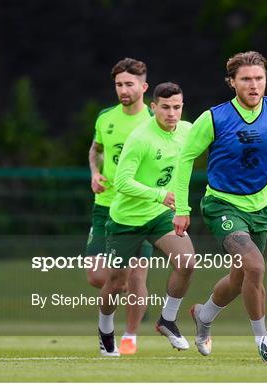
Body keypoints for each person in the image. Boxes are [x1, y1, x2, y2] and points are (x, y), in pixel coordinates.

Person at [172, 51, 267, 356]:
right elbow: (185, 158)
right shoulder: (214, 117)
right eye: (246, 79)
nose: (254, 85)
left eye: (259, 78)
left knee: (241, 278)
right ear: (232, 83)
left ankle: (204, 315)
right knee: (255, 266)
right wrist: (182, 209)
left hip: (262, 208)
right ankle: (263, 342)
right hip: (222, 204)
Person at [97, 82, 195, 356]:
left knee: (187, 262)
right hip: (126, 219)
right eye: (165, 107)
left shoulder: (188, 131)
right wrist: (159, 194)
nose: (171, 113)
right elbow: (122, 181)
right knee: (117, 282)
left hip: (160, 217)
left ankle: (168, 320)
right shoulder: (141, 138)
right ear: (154, 108)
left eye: (176, 107)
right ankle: (105, 330)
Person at [86, 57, 153, 355]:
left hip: (141, 211)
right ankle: (117, 304)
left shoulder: (154, 120)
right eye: (119, 85)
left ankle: (129, 338)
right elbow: (96, 150)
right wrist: (95, 173)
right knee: (98, 277)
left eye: (129, 84)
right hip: (105, 206)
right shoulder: (105, 118)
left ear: (144, 86)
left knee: (138, 277)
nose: (123, 90)